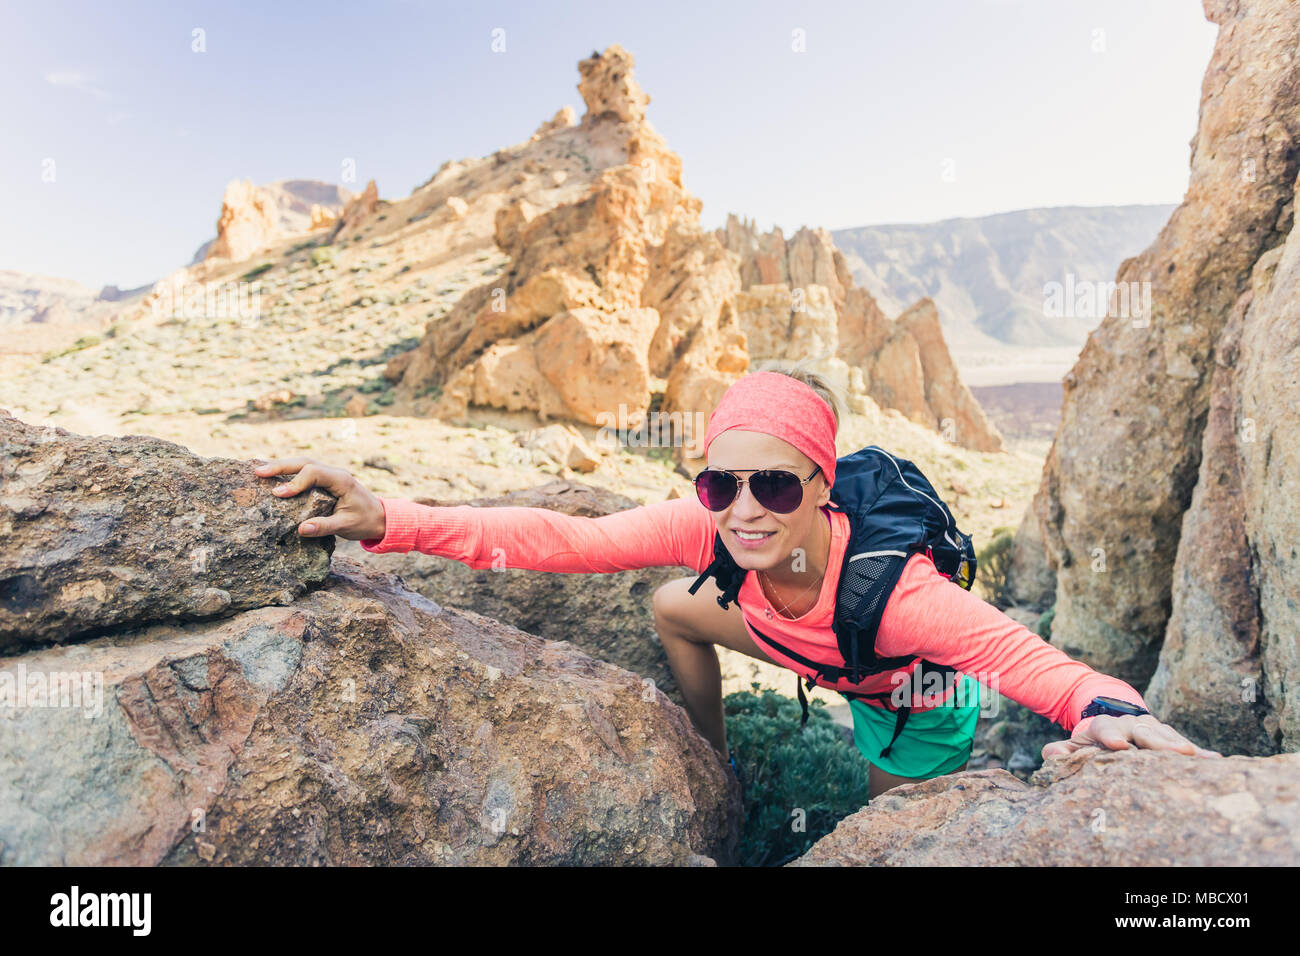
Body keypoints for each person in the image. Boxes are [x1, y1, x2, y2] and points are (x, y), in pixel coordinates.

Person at [252, 362, 1220, 801]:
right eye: (721, 481)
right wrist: (393, 519)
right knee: (673, 599)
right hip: (810, 645)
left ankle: (920, 795)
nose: (745, 509)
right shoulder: (714, 524)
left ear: (818, 486)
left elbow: (1022, 654)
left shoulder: (901, 589)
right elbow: (558, 537)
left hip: (902, 684)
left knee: (885, 806)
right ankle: (710, 750)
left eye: (773, 483)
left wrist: (1103, 702)